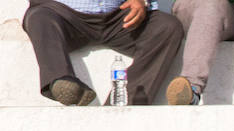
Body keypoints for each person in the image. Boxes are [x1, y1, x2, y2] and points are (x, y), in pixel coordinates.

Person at [21, 0, 183, 105]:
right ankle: (62, 82)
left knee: (167, 28)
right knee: (39, 17)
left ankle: (126, 104)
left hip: (119, 16)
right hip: (65, 14)